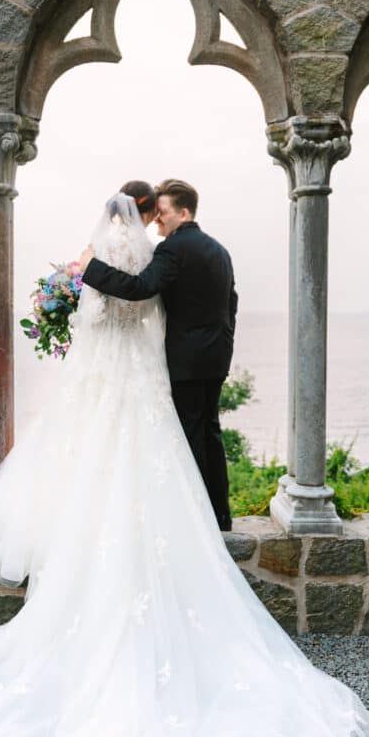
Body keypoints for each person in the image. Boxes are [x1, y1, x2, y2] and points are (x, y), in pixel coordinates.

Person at [0, 189, 369, 737]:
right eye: (149, 211)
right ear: (143, 212)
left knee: (127, 462)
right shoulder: (201, 249)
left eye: (159, 211)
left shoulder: (150, 254)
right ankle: (213, 520)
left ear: (157, 211)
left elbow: (129, 298)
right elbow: (201, 305)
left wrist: (81, 275)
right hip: (162, 376)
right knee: (185, 455)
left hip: (135, 375)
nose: (153, 220)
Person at [80, 179, 236, 531]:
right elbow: (232, 302)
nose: (157, 219)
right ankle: (220, 514)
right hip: (216, 357)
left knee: (190, 435)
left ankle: (199, 519)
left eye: (163, 212)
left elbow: (140, 288)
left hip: (186, 359)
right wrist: (224, 344)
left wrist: (91, 268)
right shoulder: (219, 250)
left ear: (184, 212)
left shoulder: (171, 249)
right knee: (210, 433)